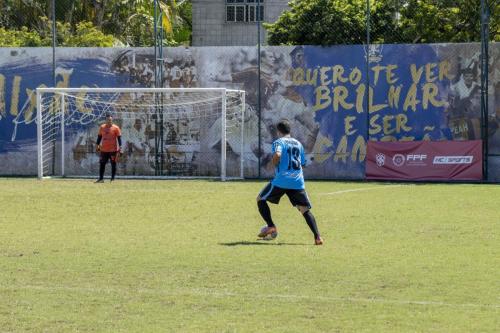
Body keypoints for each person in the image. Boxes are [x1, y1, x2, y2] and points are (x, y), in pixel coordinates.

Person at [256, 119, 323, 245]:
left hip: (281, 180)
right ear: (289, 130)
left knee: (260, 199)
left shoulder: (278, 142)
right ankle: (318, 237)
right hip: (297, 182)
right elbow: (303, 164)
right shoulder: (298, 144)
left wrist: (275, 161)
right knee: (304, 210)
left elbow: (278, 153)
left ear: (278, 131)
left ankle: (271, 226)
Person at [95, 114, 122, 182]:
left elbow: (119, 139)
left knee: (113, 164)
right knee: (102, 164)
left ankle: (112, 179)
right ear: (105, 120)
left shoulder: (116, 128)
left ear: (112, 120)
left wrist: (120, 148)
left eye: (110, 120)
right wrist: (97, 145)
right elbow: (99, 137)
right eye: (107, 120)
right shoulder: (102, 127)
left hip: (113, 150)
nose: (109, 121)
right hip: (104, 150)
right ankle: (101, 179)